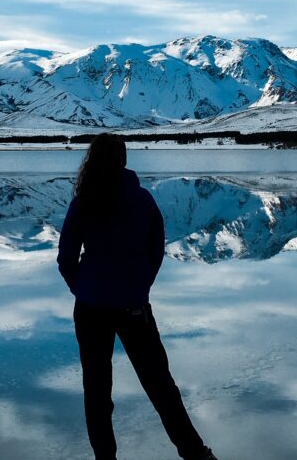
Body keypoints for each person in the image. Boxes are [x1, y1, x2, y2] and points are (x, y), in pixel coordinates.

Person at [58, 133, 217, 460]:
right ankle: (196, 454)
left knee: (97, 392)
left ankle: (106, 458)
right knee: (160, 386)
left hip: (90, 309)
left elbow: (66, 259)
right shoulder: (142, 200)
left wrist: (84, 288)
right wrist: (139, 285)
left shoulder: (82, 203)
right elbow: (156, 249)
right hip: (132, 306)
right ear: (124, 160)